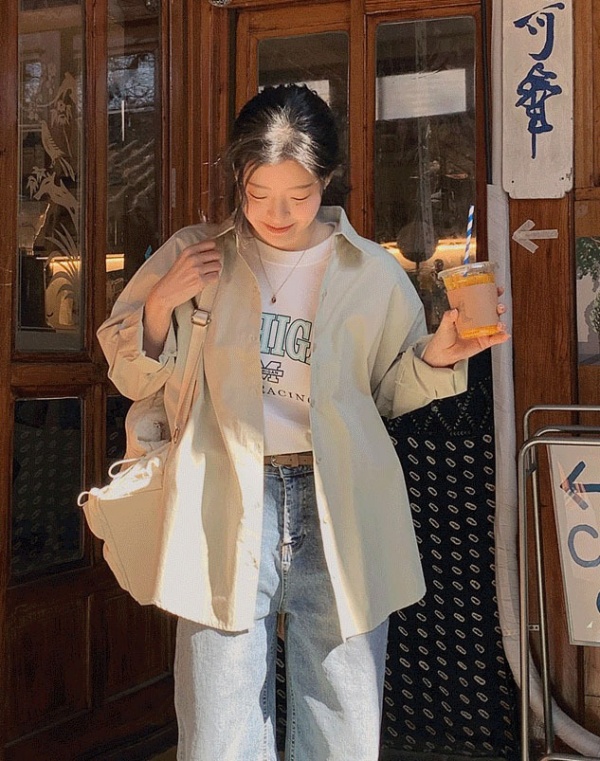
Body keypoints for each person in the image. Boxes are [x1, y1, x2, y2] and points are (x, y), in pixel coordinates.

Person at [97, 84, 509, 761]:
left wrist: (437, 357)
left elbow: (385, 395)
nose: (277, 214)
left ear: (327, 180)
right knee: (219, 729)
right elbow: (131, 374)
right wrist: (162, 301)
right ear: (238, 178)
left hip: (338, 501)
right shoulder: (194, 254)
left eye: (299, 195)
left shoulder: (372, 272)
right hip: (222, 498)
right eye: (259, 194)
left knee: (342, 721)